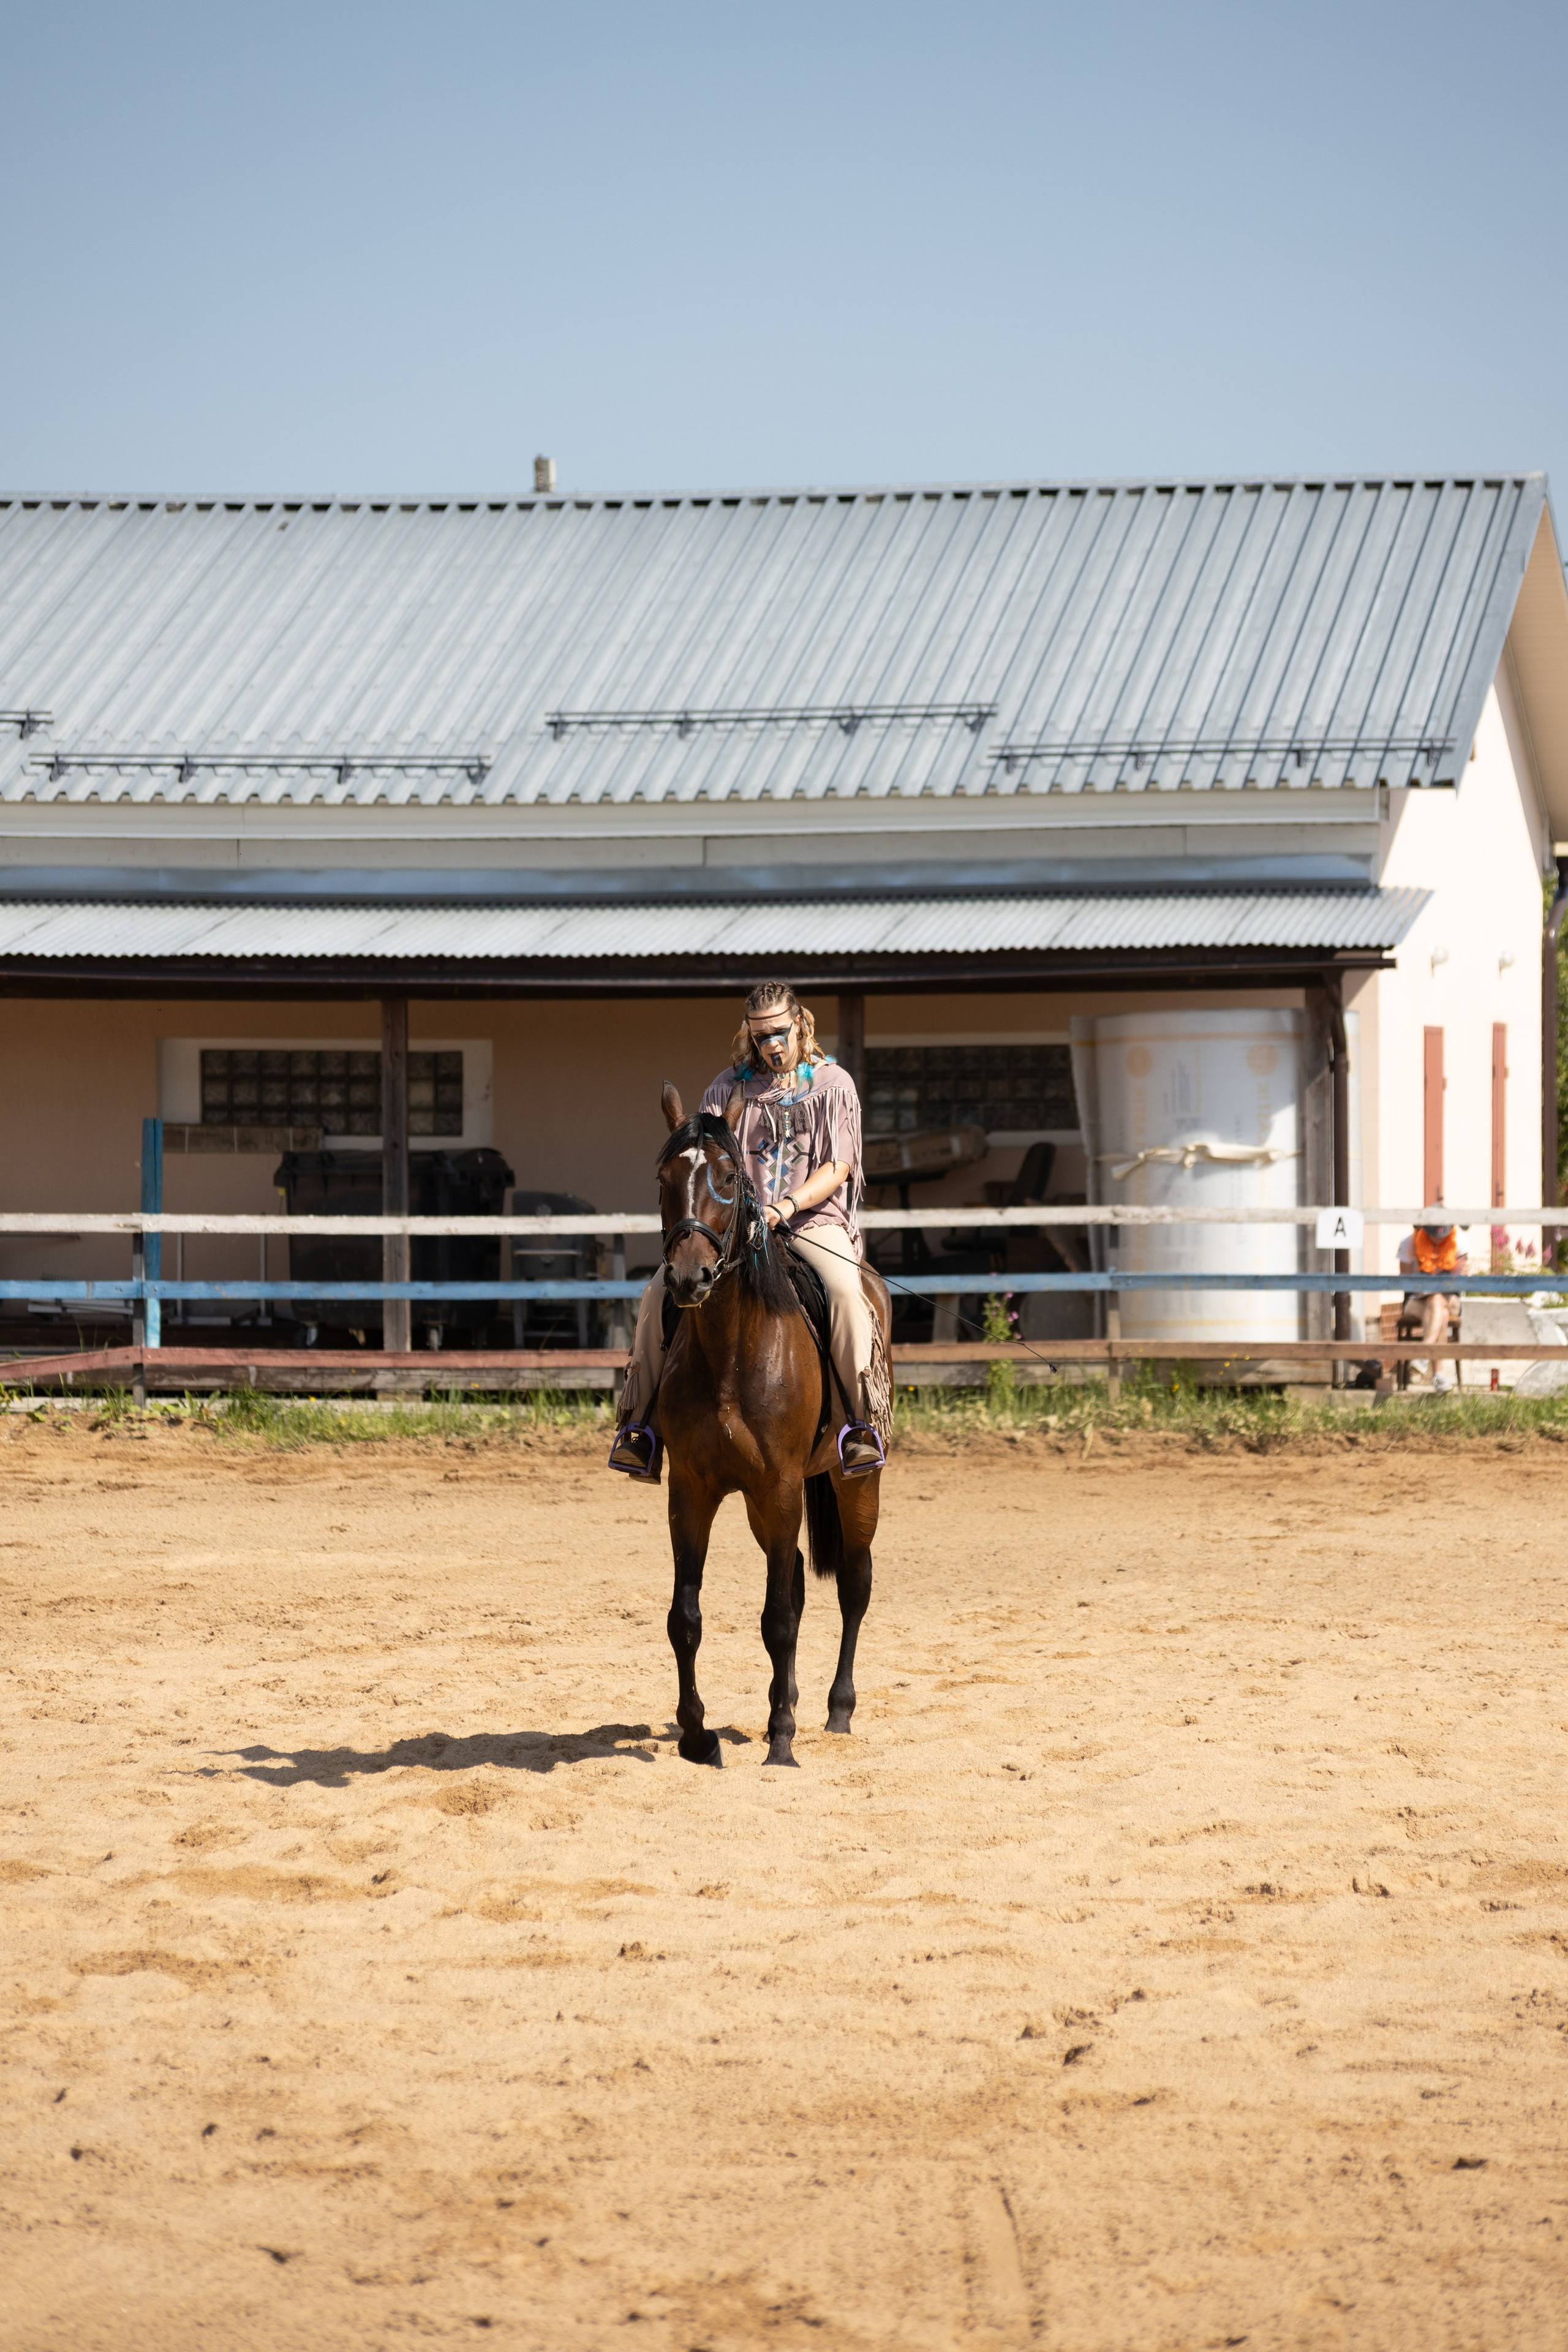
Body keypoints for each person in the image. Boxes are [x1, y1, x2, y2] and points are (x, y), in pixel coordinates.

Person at [608, 980, 891, 1477]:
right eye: (761, 1037)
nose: (773, 1045)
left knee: (847, 1291)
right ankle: (641, 1427)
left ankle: (857, 1426)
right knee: (658, 1295)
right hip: (740, 1232)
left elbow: (839, 1168)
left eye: (781, 1033)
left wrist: (784, 1207)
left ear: (801, 1023)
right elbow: (708, 1163)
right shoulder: (726, 1088)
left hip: (813, 1222)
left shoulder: (833, 1085)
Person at [1396, 1219, 1466, 1389]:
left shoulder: (1460, 1241)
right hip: (1417, 1300)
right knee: (1439, 1310)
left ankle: (1423, 1354)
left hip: (1450, 1299)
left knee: (1438, 1301)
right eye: (1434, 1235)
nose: (1438, 1239)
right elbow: (1405, 1281)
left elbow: (1461, 1278)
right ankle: (1438, 1376)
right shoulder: (1409, 1243)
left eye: (1443, 1235)